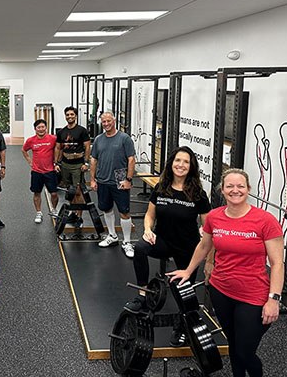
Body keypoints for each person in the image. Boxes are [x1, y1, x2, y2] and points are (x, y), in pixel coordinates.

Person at [168, 168, 284, 377]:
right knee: (233, 343)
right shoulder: (214, 216)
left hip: (253, 296)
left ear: (248, 189)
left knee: (245, 351)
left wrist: (273, 299)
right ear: (222, 190)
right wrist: (188, 270)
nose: (235, 190)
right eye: (229, 186)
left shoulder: (265, 221)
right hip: (221, 290)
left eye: (240, 186)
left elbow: (277, 264)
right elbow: (204, 246)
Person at [129, 146, 211, 347]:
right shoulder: (161, 187)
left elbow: (209, 227)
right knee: (139, 249)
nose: (181, 165)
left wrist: (210, 259)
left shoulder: (198, 193)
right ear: (171, 163)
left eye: (186, 162)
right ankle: (143, 293)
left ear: (191, 167)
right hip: (163, 241)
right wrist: (148, 229)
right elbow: (150, 214)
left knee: (185, 291)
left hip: (187, 247)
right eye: (177, 161)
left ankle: (183, 325)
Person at [90, 111, 136, 257]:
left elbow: (131, 160)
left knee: (124, 211)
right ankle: (112, 236)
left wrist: (128, 180)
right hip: (103, 179)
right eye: (104, 122)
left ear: (114, 121)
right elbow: (93, 160)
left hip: (120, 179)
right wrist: (92, 179)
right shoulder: (98, 139)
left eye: (109, 121)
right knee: (106, 208)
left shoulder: (124, 138)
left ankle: (127, 242)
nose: (106, 124)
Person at [54, 106, 91, 226]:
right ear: (65, 116)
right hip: (65, 165)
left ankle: (79, 217)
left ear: (75, 116)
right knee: (70, 191)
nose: (70, 116)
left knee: (78, 191)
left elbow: (87, 147)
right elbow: (58, 148)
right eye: (67, 115)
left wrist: (86, 163)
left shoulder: (82, 130)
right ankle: (73, 214)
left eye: (72, 114)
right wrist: (56, 163)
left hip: (77, 165)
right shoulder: (61, 132)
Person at [22, 119, 59, 223]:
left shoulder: (53, 138)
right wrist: (30, 161)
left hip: (50, 171)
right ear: (35, 129)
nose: (41, 129)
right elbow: (24, 150)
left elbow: (59, 148)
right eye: (39, 127)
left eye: (43, 127)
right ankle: (39, 212)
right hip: (37, 171)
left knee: (54, 194)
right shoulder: (31, 140)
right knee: (37, 193)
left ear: (46, 128)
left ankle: (54, 209)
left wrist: (57, 162)